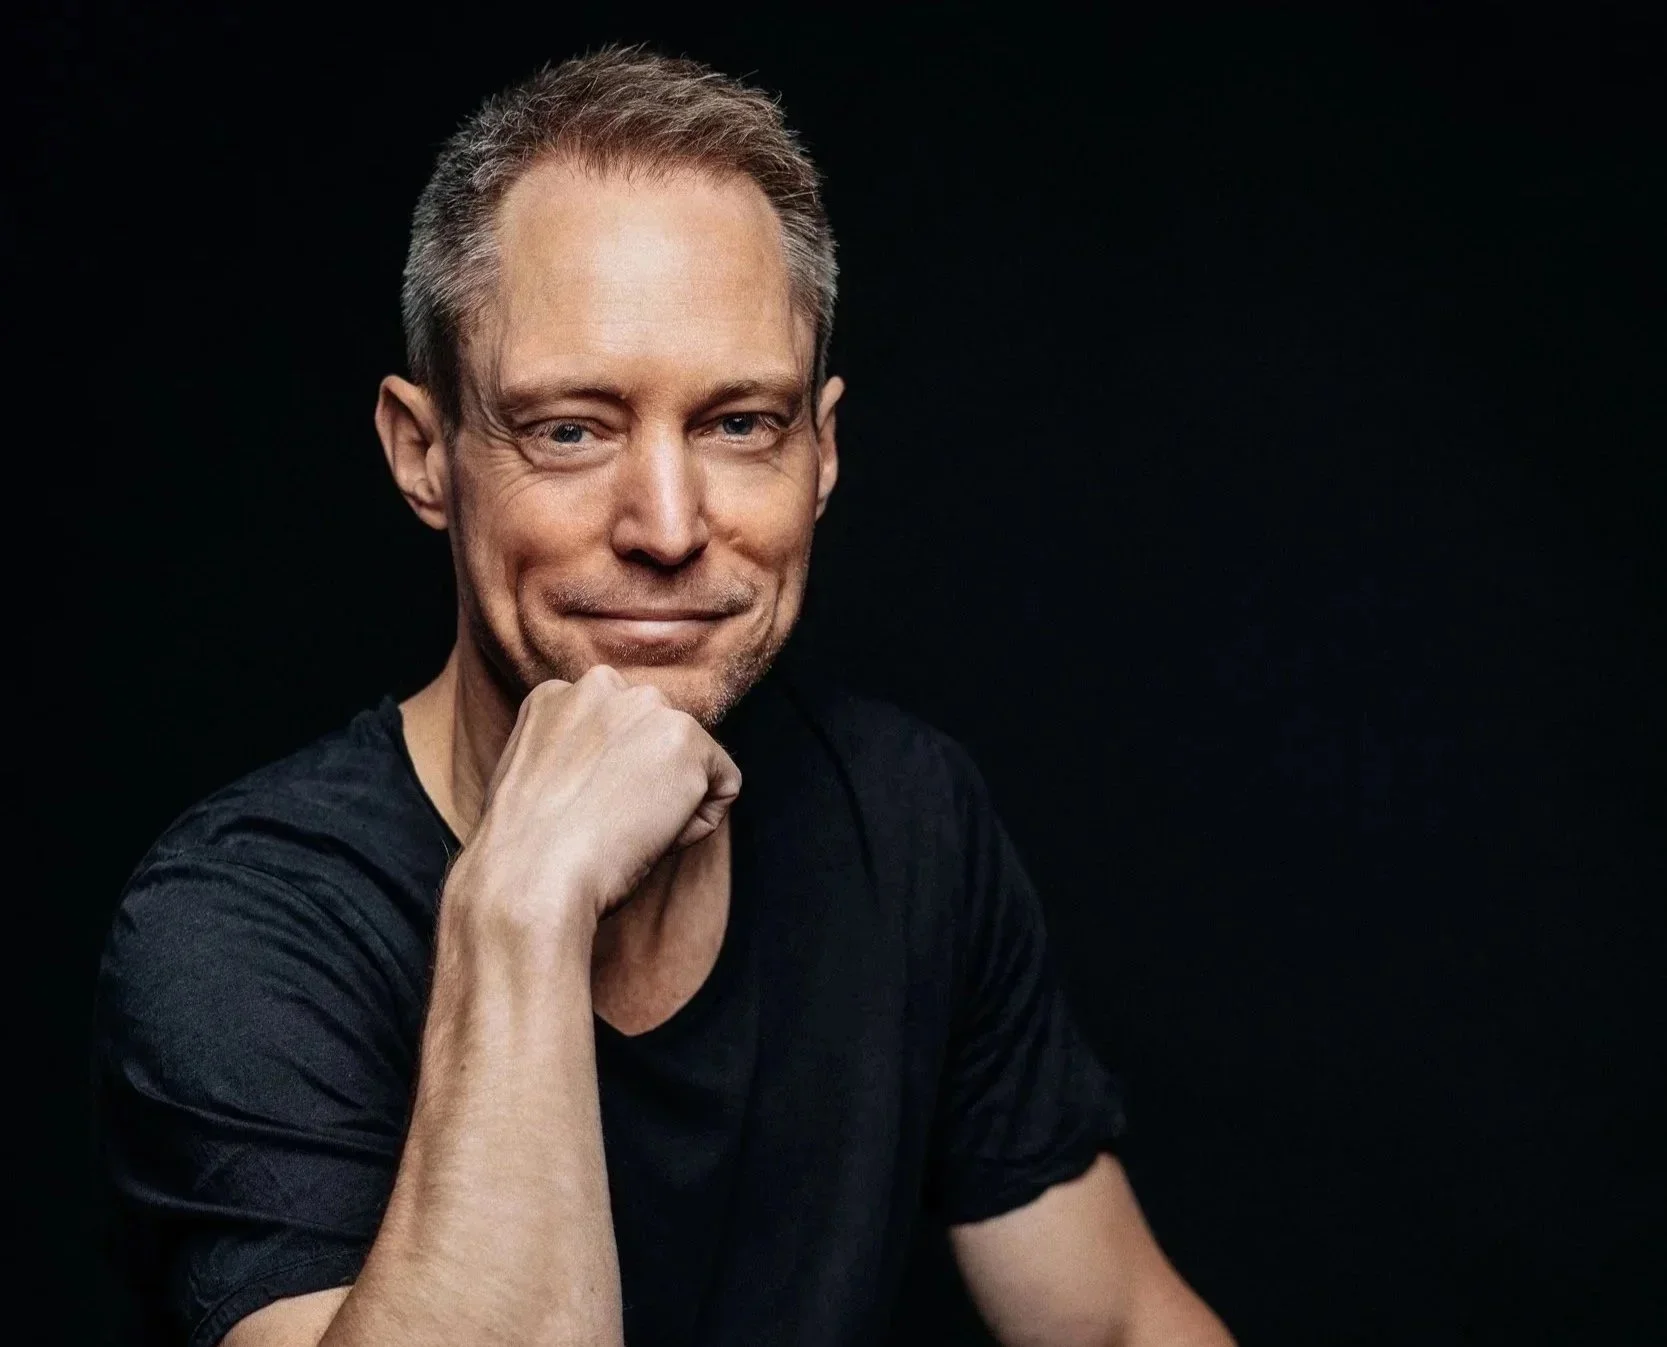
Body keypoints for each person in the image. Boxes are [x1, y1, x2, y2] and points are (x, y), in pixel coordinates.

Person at [94, 46, 1234, 1347]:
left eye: (738, 422)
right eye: (570, 427)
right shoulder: (238, 923)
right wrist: (524, 909)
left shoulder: (906, 820)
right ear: (425, 453)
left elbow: (1120, 1319)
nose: (668, 523)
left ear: (823, 451)